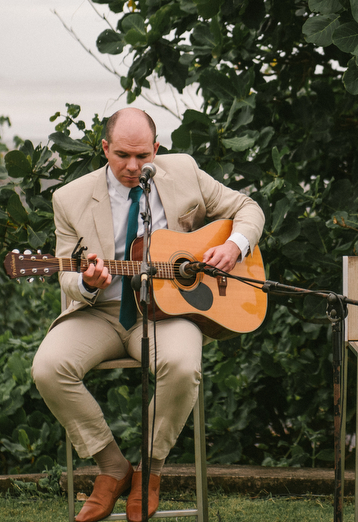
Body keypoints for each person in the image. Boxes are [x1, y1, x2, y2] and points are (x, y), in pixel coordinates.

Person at [31, 107, 264, 522]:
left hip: (166, 312)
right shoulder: (68, 198)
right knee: (49, 368)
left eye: (143, 156)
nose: (133, 166)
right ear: (105, 149)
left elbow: (248, 207)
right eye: (122, 155)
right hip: (100, 312)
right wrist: (88, 282)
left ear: (157, 148)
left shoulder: (186, 172)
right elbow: (67, 275)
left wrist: (235, 246)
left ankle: (150, 472)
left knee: (182, 364)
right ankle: (113, 467)